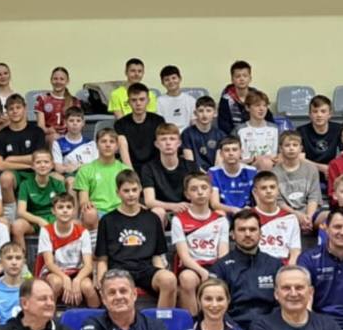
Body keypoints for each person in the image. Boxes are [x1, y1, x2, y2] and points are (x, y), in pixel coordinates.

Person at [92, 171, 177, 308]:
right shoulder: (107, 220)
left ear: (140, 190)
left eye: (134, 190)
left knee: (169, 279)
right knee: (117, 286)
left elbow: (157, 256)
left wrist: (162, 274)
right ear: (118, 192)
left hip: (145, 269)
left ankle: (160, 320)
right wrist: (102, 283)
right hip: (118, 270)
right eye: (126, 191)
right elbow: (102, 259)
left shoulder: (152, 219)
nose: (131, 194)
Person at [211, 210, 283, 330]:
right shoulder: (221, 267)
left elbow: (282, 303)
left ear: (261, 233)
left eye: (252, 229)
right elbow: (216, 306)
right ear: (232, 234)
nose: (248, 234)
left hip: (270, 329)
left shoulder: (275, 265)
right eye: (242, 230)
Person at [169, 174, 227, 312]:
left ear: (211, 191)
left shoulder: (221, 219)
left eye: (204, 188)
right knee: (187, 279)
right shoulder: (178, 219)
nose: (200, 192)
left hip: (215, 265)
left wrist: (216, 272)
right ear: (187, 194)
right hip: (192, 266)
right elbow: (184, 256)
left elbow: (223, 254)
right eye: (194, 189)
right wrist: (202, 272)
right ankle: (193, 320)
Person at [0, 93, 46, 213]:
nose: (15, 111)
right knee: (5, 178)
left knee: (57, 178)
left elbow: (39, 158)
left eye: (18, 107)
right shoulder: (0, 136)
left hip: (35, 172)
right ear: (6, 111)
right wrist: (28, 165)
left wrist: (11, 159)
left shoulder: (37, 132)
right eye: (11, 109)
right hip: (15, 174)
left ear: (25, 108)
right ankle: (11, 213)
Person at [141, 124, 202, 222]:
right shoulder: (148, 168)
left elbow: (198, 193)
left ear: (179, 143)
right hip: (163, 210)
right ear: (156, 144)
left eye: (172, 139)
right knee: (158, 211)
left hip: (186, 208)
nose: (168, 143)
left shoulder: (191, 166)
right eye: (163, 139)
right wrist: (173, 206)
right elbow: (149, 201)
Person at [73, 127, 130, 229]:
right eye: (103, 141)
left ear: (117, 146)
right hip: (97, 212)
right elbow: (83, 201)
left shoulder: (125, 170)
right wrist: (87, 205)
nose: (107, 145)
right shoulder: (85, 170)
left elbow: (130, 196)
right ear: (97, 145)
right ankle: (94, 238)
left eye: (112, 142)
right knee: (89, 213)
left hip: (120, 210)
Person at [112, 83, 166, 173]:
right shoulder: (120, 124)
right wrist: (131, 173)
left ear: (148, 101)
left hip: (155, 167)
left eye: (142, 99)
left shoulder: (158, 121)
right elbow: (123, 147)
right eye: (134, 100)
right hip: (131, 166)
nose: (138, 103)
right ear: (128, 102)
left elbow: (162, 146)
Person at [250, 172, 303, 264]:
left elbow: (295, 251)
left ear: (278, 190)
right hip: (257, 265)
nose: (269, 191)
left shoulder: (290, 218)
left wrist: (290, 269)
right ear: (255, 192)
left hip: (283, 266)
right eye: (263, 188)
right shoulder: (248, 216)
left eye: (272, 187)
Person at [217, 60, 271, 136]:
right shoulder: (226, 99)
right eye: (238, 76)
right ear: (232, 79)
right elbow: (223, 125)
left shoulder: (257, 97)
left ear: (250, 78)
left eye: (245, 76)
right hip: (234, 137)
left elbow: (269, 119)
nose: (241, 79)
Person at [35, 67, 83, 144]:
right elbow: (41, 126)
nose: (58, 81)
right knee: (55, 138)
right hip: (49, 136)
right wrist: (48, 130)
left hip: (69, 136)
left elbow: (78, 124)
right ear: (51, 80)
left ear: (67, 81)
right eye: (55, 79)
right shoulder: (43, 99)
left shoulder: (74, 101)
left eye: (62, 79)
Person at [236, 90, 281, 171]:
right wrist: (253, 159)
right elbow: (233, 159)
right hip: (248, 168)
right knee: (264, 162)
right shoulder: (240, 130)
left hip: (273, 168)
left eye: (265, 106)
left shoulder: (275, 129)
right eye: (257, 105)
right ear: (247, 107)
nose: (261, 109)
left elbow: (282, 153)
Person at [300, 95, 340, 176]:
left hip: (332, 170)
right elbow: (300, 159)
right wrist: (322, 168)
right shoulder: (301, 131)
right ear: (309, 114)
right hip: (308, 171)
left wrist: (332, 169)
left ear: (330, 114)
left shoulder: (339, 129)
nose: (319, 115)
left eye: (323, 111)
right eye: (315, 111)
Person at [180, 95, 224, 171]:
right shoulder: (187, 134)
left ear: (215, 113)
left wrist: (212, 175)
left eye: (208, 111)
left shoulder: (220, 135)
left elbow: (218, 164)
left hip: (214, 174)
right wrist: (201, 174)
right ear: (195, 113)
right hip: (195, 173)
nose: (204, 115)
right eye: (201, 111)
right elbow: (189, 161)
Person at [157, 66, 196, 131]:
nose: (171, 81)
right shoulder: (159, 101)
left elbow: (194, 122)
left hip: (186, 134)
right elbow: (159, 124)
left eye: (174, 78)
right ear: (162, 83)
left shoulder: (191, 100)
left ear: (180, 79)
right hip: (166, 134)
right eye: (167, 80)